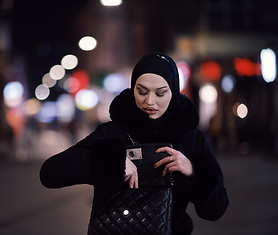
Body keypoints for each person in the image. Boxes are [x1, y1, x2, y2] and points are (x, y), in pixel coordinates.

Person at [40, 52, 229, 235]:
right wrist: (112, 161)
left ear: (174, 92)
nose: (149, 101)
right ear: (132, 89)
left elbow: (216, 210)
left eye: (161, 93)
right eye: (141, 91)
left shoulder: (190, 137)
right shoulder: (113, 131)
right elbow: (50, 173)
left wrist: (193, 171)